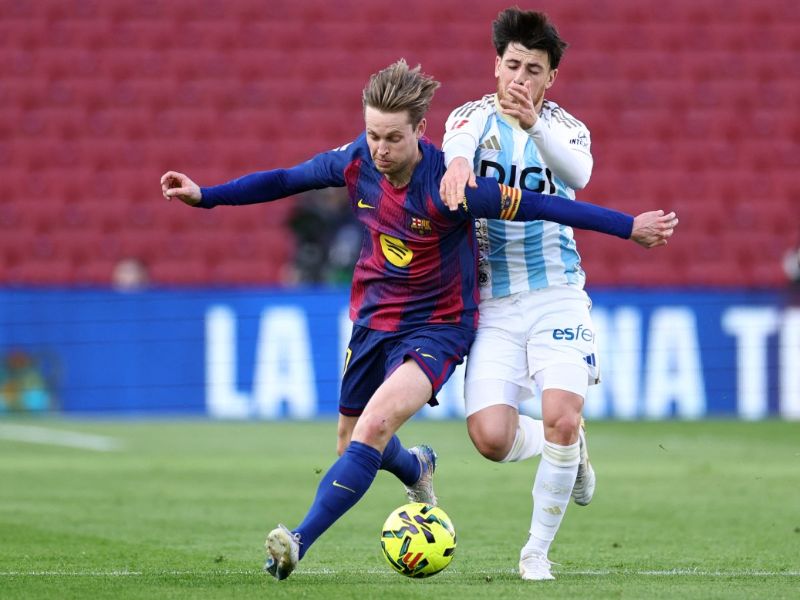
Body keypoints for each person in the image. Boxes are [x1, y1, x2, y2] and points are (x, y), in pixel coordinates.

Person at [161, 60, 677, 581]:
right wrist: (207, 196)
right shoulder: (356, 161)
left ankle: (295, 541)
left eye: (392, 138)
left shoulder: (455, 187)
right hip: (373, 320)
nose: (380, 150)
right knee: (350, 445)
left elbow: (547, 206)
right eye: (372, 135)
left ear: (420, 131)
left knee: (376, 425)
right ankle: (417, 468)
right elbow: (285, 179)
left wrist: (628, 226)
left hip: (438, 326)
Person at [439, 8, 645, 581]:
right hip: (495, 303)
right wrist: (456, 166)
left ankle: (535, 553)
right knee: (490, 437)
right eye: (512, 65)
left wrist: (533, 127)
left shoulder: (566, 128)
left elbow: (577, 174)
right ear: (495, 65)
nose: (520, 79)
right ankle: (571, 449)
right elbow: (456, 148)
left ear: (551, 77)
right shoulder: (470, 116)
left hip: (557, 292)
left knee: (559, 413)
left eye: (534, 69)